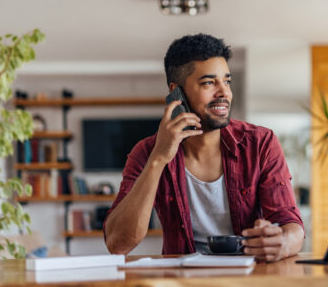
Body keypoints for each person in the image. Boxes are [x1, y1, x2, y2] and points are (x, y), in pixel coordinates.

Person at [104, 34, 304, 262]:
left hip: (250, 276)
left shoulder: (260, 143)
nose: (224, 93)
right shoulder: (147, 152)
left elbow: (290, 223)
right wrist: (158, 159)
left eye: (226, 81)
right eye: (209, 83)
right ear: (176, 92)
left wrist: (284, 242)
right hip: (182, 280)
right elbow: (118, 244)